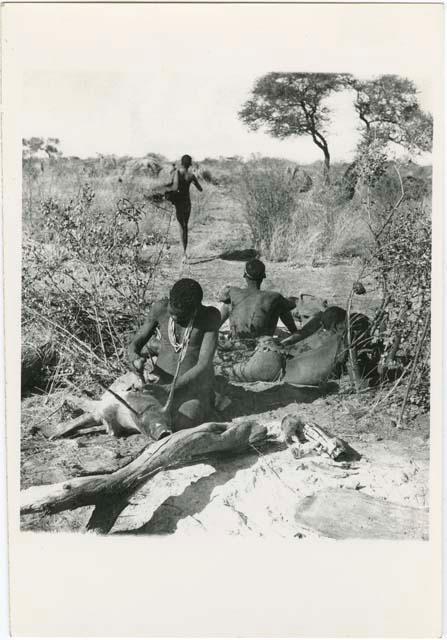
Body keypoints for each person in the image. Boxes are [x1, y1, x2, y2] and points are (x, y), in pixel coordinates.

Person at [128, 278, 220, 430]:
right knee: (131, 409)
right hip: (159, 384)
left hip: (191, 389)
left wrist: (170, 389)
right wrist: (134, 359)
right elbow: (134, 344)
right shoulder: (159, 308)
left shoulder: (209, 317)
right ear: (169, 300)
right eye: (172, 313)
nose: (175, 319)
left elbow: (204, 364)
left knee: (185, 422)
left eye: (182, 317)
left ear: (196, 309)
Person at [219, 259, 299, 341]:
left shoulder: (232, 292)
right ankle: (295, 332)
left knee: (229, 302)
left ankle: (216, 325)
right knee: (280, 306)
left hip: (236, 344)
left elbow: (222, 297)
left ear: (244, 275)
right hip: (261, 347)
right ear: (264, 276)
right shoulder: (274, 297)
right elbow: (292, 305)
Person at [166, 154, 203, 261]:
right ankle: (184, 253)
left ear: (181, 162)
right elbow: (200, 189)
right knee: (185, 226)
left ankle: (184, 254)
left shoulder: (176, 173)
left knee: (181, 227)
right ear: (190, 164)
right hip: (187, 204)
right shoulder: (191, 175)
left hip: (179, 203)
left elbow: (171, 185)